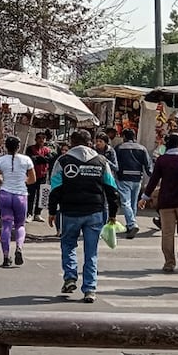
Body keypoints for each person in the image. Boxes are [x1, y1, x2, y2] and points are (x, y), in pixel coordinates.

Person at [47, 130, 120, 303]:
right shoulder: (101, 161)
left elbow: (55, 188)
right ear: (91, 143)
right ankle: (90, 289)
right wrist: (113, 214)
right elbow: (111, 189)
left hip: (69, 212)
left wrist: (51, 211)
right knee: (91, 251)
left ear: (71, 143)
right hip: (95, 213)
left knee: (68, 244)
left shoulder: (63, 161)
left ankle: (70, 277)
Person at [139, 133, 178, 273]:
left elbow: (153, 180)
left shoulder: (162, 160)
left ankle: (169, 263)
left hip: (166, 201)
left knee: (167, 233)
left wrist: (144, 197)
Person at [0, 135, 36, 268]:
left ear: (6, 146)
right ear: (18, 147)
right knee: (20, 225)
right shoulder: (26, 160)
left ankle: (6, 257)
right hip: (21, 196)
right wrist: (23, 182)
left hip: (5, 195)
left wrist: (3, 181)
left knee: (6, 225)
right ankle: (19, 248)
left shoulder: (0, 161)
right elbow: (32, 179)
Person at [114, 128, 152, 239]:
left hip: (123, 178)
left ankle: (132, 224)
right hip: (137, 178)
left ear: (124, 137)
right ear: (134, 137)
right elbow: (148, 165)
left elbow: (114, 163)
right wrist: (153, 177)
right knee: (133, 203)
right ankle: (131, 224)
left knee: (125, 202)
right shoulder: (142, 148)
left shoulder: (119, 148)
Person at [25, 131, 52, 222]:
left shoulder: (48, 150)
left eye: (43, 138)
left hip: (43, 176)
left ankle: (38, 214)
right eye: (39, 138)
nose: (41, 140)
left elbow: (49, 160)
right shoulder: (30, 148)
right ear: (35, 139)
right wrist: (41, 159)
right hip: (32, 175)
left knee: (42, 196)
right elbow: (31, 159)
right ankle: (29, 214)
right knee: (30, 195)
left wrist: (38, 158)